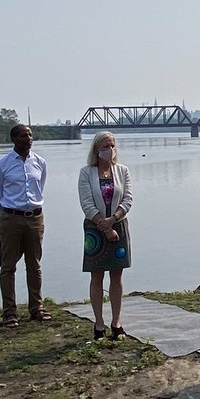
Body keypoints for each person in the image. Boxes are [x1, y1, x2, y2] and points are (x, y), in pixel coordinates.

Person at [0, 124, 51, 328]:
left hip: (35, 218)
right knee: (8, 266)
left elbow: (40, 188)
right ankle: (9, 312)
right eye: (24, 136)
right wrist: (5, 219)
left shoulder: (40, 162)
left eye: (30, 135)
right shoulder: (1, 166)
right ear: (14, 139)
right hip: (11, 218)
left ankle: (37, 308)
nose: (29, 139)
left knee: (34, 264)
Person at [78, 131, 133, 340]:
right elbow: (86, 203)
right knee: (97, 275)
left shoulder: (123, 171)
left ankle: (116, 322)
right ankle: (99, 324)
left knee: (117, 275)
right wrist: (105, 226)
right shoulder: (86, 173)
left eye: (112, 145)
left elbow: (128, 199)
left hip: (119, 225)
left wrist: (113, 219)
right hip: (95, 229)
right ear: (96, 150)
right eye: (105, 147)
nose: (110, 150)